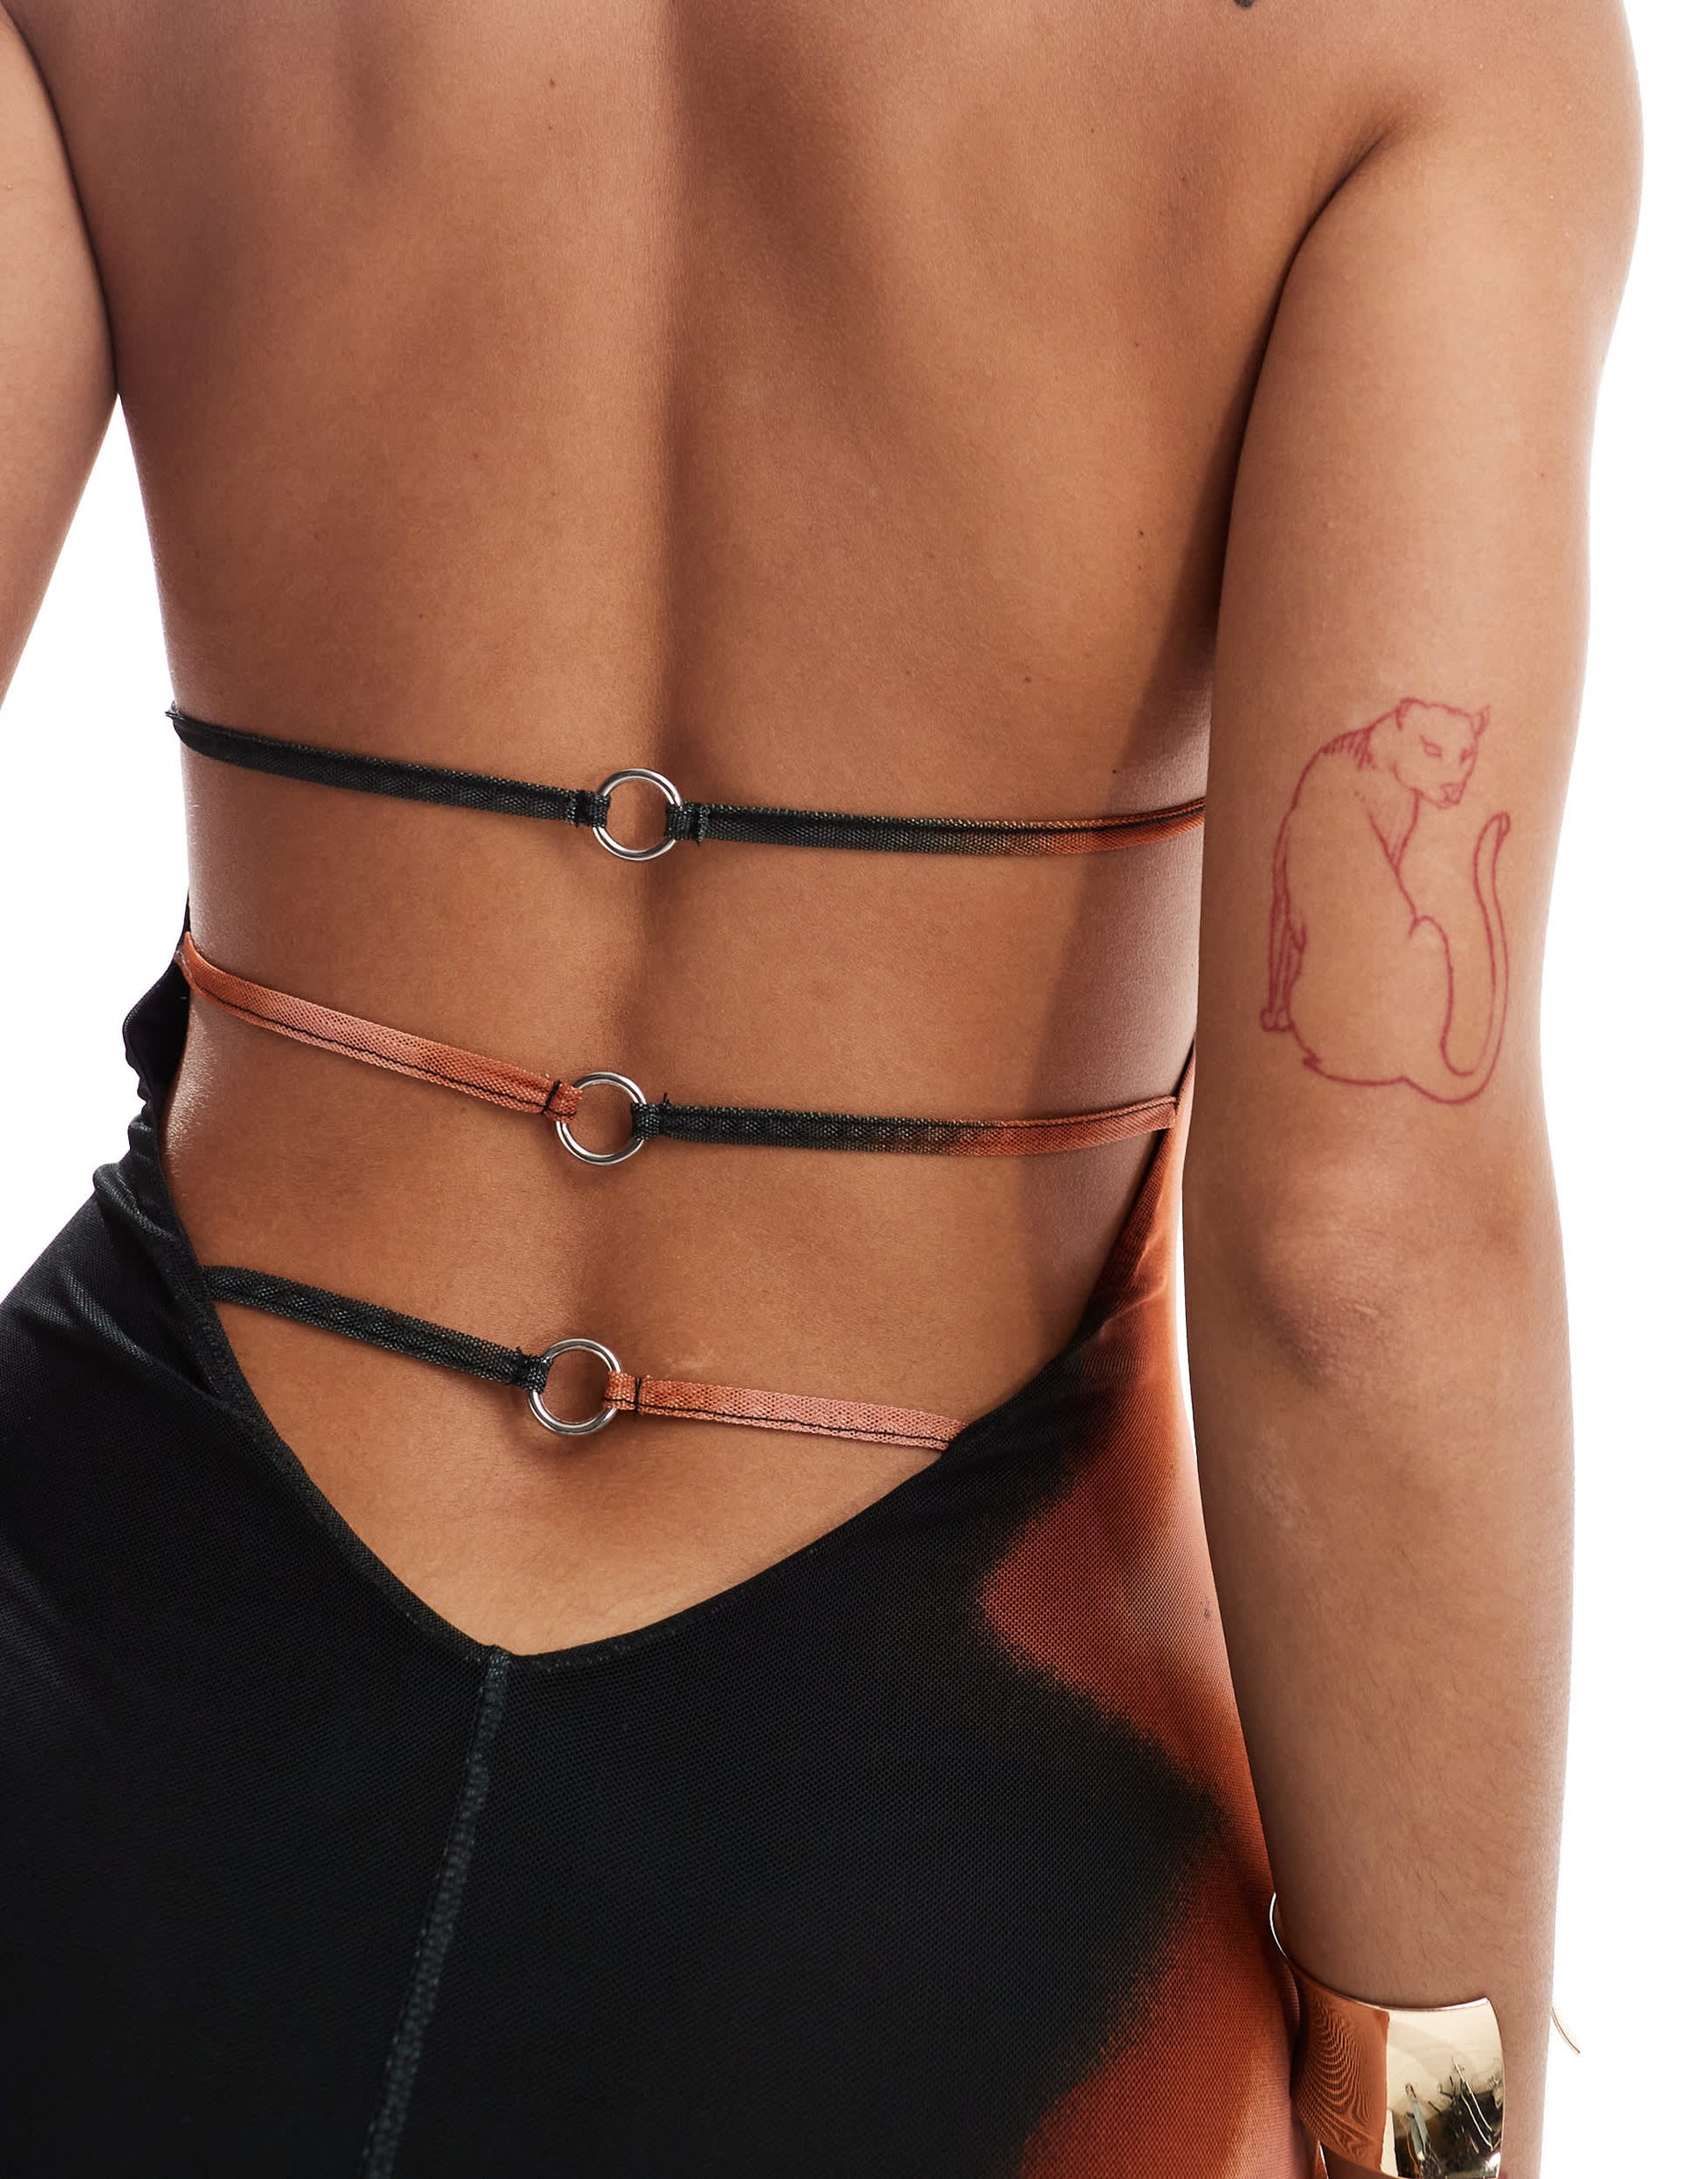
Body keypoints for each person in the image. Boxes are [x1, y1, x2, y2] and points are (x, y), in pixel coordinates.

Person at [0, 1, 1637, 2172]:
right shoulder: (1433, 41)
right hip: (951, 1855)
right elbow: (1361, 1252)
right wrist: (1434, 2122)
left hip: (92, 1679)